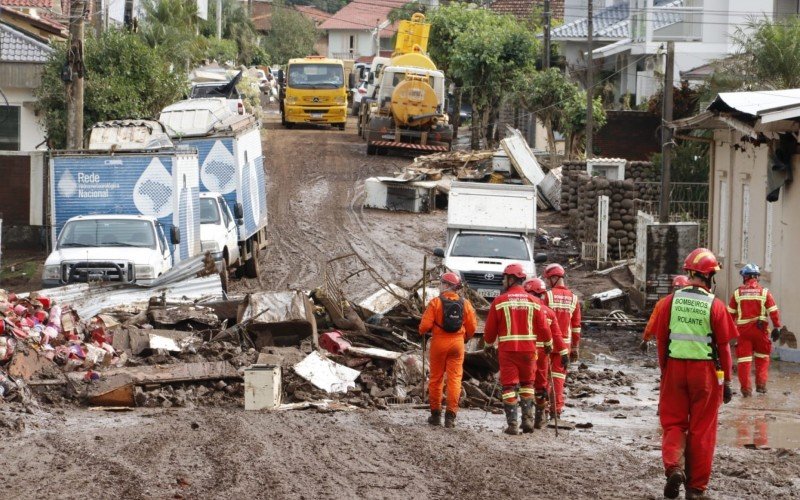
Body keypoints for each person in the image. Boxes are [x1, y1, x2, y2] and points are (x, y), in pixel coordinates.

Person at [647, 248, 738, 499]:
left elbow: (661, 341)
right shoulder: (716, 306)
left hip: (675, 368)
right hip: (706, 374)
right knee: (702, 429)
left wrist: (665, 372)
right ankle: (696, 489)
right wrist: (727, 380)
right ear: (708, 276)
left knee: (673, 423)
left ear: (689, 273)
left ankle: (674, 467)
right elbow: (724, 348)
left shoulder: (669, 302)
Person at [484, 264, 552, 435]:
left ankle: (513, 425)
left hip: (508, 351)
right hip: (529, 351)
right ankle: (527, 421)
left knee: (508, 387)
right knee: (528, 384)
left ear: (511, 279)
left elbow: (490, 332)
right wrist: (549, 343)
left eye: (505, 278)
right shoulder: (535, 302)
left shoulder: (499, 302)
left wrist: (488, 343)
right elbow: (544, 328)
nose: (503, 281)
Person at [418, 272, 477, 428]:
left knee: (436, 378)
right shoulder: (466, 304)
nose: (439, 286)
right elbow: (472, 328)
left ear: (446, 285)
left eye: (441, 283)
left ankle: (436, 415)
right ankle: (450, 417)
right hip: (457, 344)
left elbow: (423, 327)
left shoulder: (435, 303)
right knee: (455, 379)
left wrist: (425, 330)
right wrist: (464, 338)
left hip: (439, 344)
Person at [727, 263, 782, 396]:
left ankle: (746, 390)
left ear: (744, 277)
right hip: (760, 330)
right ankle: (761, 386)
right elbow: (773, 311)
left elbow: (729, 315)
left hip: (743, 332)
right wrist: (777, 327)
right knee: (762, 358)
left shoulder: (737, 293)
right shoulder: (764, 292)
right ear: (757, 277)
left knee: (744, 361)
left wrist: (727, 333)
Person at [524, 278, 569, 429]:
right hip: (543, 353)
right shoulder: (549, 312)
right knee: (541, 383)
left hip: (527, 351)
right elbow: (557, 335)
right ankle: (539, 419)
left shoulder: (525, 309)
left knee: (526, 383)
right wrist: (564, 353)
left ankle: (527, 418)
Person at [541, 263, 581, 418]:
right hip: (565, 346)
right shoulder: (574, 298)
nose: (547, 282)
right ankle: (556, 410)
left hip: (548, 343)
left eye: (548, 279)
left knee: (544, 376)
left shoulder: (548, 296)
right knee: (558, 379)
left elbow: (541, 320)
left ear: (554, 278)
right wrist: (576, 347)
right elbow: (576, 326)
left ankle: (542, 407)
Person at [640, 275, 691, 351]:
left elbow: (652, 323)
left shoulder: (663, 302)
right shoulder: (694, 304)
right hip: (692, 345)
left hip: (669, 344)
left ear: (673, 288)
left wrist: (646, 339)